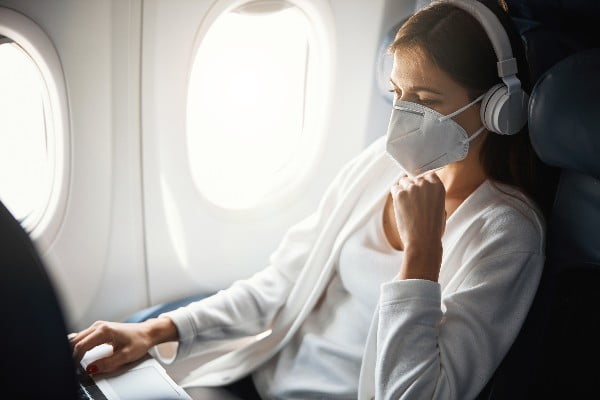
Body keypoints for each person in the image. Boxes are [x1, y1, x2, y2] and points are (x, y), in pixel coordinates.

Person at [70, 1, 553, 398]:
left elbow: (414, 393)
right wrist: (155, 330)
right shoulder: (380, 165)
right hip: (266, 378)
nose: (402, 122)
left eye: (426, 100)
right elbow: (279, 285)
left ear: (497, 108)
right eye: (397, 94)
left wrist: (422, 253)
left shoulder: (507, 233)